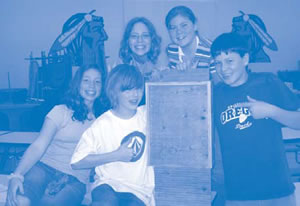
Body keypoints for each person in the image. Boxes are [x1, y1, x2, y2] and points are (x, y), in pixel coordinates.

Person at [211, 32, 300, 206]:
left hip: (277, 190)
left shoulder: (268, 82)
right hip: (237, 195)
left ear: (245, 59)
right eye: (218, 63)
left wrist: (271, 111)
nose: (224, 69)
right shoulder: (215, 94)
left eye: (230, 61)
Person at [6, 65, 107, 206]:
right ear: (77, 83)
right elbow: (38, 146)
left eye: (97, 81)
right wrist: (16, 176)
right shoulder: (60, 111)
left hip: (75, 178)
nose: (92, 86)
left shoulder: (104, 120)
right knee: (19, 201)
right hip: (44, 168)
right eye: (86, 80)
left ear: (102, 87)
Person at [71, 64, 155, 206]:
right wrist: (116, 155)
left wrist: (184, 73)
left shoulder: (147, 114)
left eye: (138, 89)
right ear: (114, 92)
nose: (135, 94)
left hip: (139, 191)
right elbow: (76, 162)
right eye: (127, 90)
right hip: (107, 185)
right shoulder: (102, 124)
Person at [165, 5, 212, 71]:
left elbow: (216, 80)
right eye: (173, 28)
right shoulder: (171, 49)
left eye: (184, 25)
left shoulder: (211, 50)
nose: (179, 31)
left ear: (195, 25)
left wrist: (191, 74)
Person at [118, 17, 162, 81]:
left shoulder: (163, 66)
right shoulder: (120, 69)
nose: (140, 40)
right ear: (127, 40)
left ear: (152, 39)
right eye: (134, 36)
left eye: (145, 35)